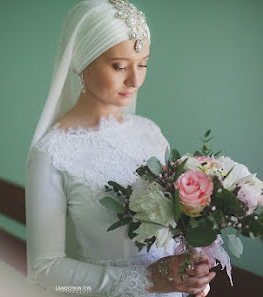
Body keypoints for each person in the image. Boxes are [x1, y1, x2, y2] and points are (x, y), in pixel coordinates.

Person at [25, 0, 216, 296]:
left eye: (143, 64)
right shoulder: (52, 154)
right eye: (119, 66)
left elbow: (175, 232)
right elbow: (44, 270)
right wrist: (146, 281)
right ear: (81, 61)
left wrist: (191, 271)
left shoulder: (151, 133)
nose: (135, 80)